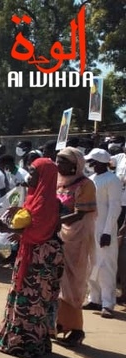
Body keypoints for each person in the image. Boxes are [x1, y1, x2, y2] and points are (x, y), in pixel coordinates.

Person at [0, 158, 63, 358]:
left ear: (44, 177)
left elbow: (40, 232)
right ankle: (15, 340)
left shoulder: (48, 202)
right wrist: (18, 216)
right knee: (20, 295)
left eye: (33, 173)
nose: (29, 176)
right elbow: (29, 223)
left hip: (42, 258)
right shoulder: (33, 198)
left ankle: (27, 344)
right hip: (29, 253)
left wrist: (10, 229)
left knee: (33, 301)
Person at [54, 147, 96, 347]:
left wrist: (56, 221)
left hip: (77, 239)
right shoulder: (59, 183)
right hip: (59, 236)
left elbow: (80, 213)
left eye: (63, 161)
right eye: (57, 160)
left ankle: (77, 329)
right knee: (59, 281)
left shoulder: (86, 185)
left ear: (75, 165)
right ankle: (61, 323)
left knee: (73, 283)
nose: (58, 165)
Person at [84, 149, 120, 319]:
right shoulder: (91, 180)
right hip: (91, 227)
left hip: (105, 229)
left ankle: (108, 303)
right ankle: (94, 298)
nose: (90, 164)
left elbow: (114, 207)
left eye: (92, 161)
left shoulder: (112, 180)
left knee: (106, 266)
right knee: (91, 264)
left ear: (100, 162)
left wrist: (107, 231)